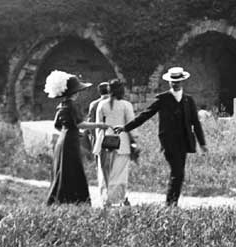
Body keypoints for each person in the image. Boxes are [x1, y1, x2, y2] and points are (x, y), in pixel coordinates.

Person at [114, 67, 207, 207]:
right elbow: (145, 115)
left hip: (184, 142)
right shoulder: (162, 99)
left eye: (178, 82)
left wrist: (202, 143)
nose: (175, 84)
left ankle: (172, 202)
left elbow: (196, 122)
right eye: (173, 82)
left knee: (179, 172)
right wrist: (125, 128)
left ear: (182, 82)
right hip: (169, 142)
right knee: (177, 172)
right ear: (169, 83)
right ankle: (171, 203)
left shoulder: (189, 100)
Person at [43, 70, 110, 205]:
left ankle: (61, 199)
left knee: (64, 169)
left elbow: (57, 125)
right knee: (73, 168)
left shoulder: (61, 105)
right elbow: (80, 123)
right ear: (75, 93)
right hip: (70, 142)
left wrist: (70, 130)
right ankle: (75, 200)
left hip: (63, 140)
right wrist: (99, 125)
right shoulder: (72, 105)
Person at [93, 79, 135, 207]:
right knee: (120, 173)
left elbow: (98, 125)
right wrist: (134, 142)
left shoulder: (102, 105)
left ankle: (105, 199)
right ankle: (118, 198)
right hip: (122, 142)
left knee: (104, 172)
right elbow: (131, 125)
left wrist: (98, 141)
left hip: (105, 140)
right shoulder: (126, 105)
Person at [84, 82, 110, 161]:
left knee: (99, 161)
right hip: (113, 136)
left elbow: (90, 121)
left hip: (97, 134)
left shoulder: (94, 104)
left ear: (99, 91)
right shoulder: (115, 103)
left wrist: (93, 137)